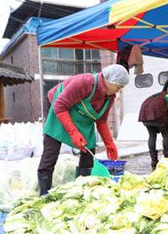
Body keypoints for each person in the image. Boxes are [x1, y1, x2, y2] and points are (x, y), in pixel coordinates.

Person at [37, 64, 129, 195]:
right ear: (110, 81)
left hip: (81, 115)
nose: (118, 90)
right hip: (57, 107)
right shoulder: (85, 82)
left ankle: (82, 188)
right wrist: (74, 133)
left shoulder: (109, 97)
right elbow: (60, 106)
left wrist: (109, 143)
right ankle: (44, 192)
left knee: (89, 148)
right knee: (51, 149)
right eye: (118, 87)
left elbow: (101, 121)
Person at [138, 91, 168, 169]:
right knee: (166, 134)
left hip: (144, 112)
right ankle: (166, 158)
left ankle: (154, 160)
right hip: (156, 112)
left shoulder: (162, 94)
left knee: (152, 135)